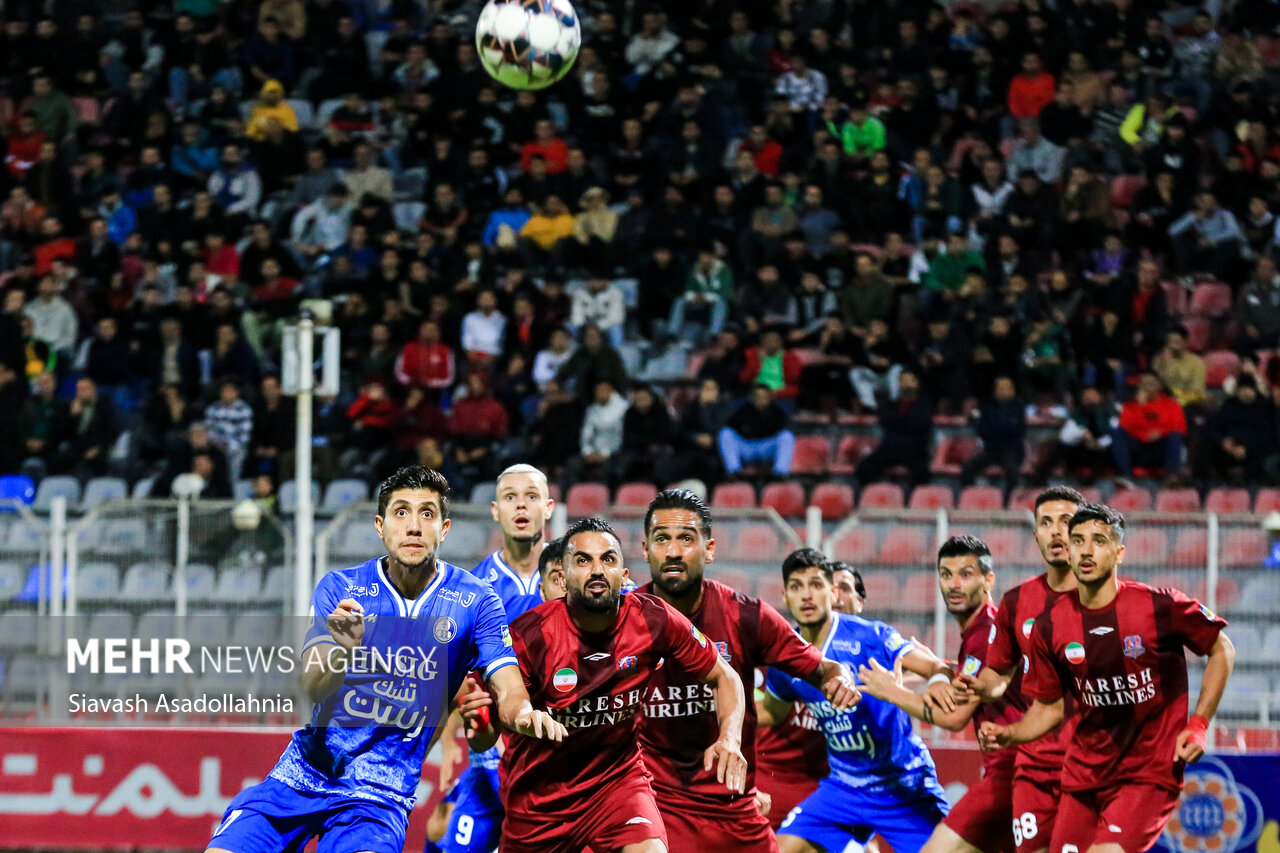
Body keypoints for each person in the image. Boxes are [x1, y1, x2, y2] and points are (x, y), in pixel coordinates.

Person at [205, 466, 564, 853]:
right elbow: (312, 686)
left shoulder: (475, 600)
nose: (413, 526)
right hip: (302, 776)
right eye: (401, 513)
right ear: (380, 526)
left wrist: (524, 713)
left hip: (380, 797)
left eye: (427, 514)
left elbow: (507, 685)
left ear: (443, 529)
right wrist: (342, 651)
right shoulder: (342, 587)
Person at [980, 504, 1234, 853]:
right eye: (1079, 541)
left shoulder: (1159, 607)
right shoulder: (1049, 626)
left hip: (1147, 773)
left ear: (1119, 553)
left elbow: (1222, 649)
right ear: (1067, 552)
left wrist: (1199, 724)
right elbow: (1049, 709)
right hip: (1084, 774)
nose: (1086, 550)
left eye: (1099, 540)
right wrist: (1010, 734)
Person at [497, 516, 748, 853]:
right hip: (542, 799)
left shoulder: (653, 618)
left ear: (624, 575)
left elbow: (724, 676)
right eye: (583, 561)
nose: (597, 570)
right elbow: (498, 707)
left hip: (617, 784)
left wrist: (730, 737)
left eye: (608, 559)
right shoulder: (531, 634)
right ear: (562, 577)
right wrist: (510, 718)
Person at [636, 490, 859, 852]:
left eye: (686, 539)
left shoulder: (746, 616)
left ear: (709, 549)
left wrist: (840, 679)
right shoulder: (624, 619)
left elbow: (825, 668)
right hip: (655, 807)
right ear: (646, 549)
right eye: (662, 539)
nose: (674, 552)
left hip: (732, 809)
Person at [759, 549, 954, 853]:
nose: (806, 596)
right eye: (797, 587)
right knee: (782, 849)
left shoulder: (870, 636)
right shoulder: (787, 657)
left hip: (901, 783)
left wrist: (940, 680)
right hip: (844, 789)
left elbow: (933, 667)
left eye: (815, 584)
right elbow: (771, 712)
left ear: (832, 591)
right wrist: (714, 712)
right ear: (785, 596)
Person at [857, 536, 1025, 853]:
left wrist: (891, 690)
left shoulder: (985, 634)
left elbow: (953, 716)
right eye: (946, 575)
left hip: (1012, 773)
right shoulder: (985, 629)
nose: (953, 584)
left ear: (989, 580)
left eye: (965, 574)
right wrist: (942, 667)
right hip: (1014, 771)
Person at [433, 465, 558, 853]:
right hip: (494, 754)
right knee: (444, 837)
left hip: (561, 753)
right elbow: (458, 674)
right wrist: (452, 730)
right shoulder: (471, 589)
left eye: (531, 496)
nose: (521, 505)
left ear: (549, 507)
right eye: (510, 497)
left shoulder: (575, 577)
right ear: (494, 510)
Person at [955, 486, 1084, 853]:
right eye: (1046, 523)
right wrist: (976, 687)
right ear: (1037, 535)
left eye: (1066, 521)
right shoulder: (1017, 601)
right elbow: (998, 675)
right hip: (1034, 761)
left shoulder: (1108, 600)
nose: (1056, 531)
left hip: (1091, 762)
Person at [756, 561, 864, 831]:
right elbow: (762, 711)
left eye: (844, 589)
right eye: (804, 587)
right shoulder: (779, 650)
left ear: (858, 601)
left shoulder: (872, 652)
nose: (835, 597)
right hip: (773, 779)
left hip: (835, 785)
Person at [718, 384, 796, 477]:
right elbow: (731, 427)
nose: (760, 400)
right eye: (757, 396)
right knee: (725, 433)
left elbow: (781, 431)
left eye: (764, 397)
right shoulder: (743, 410)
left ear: (769, 398)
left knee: (787, 436)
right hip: (747, 448)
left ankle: (780, 473)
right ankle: (734, 472)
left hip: (766, 449)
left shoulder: (777, 412)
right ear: (752, 397)